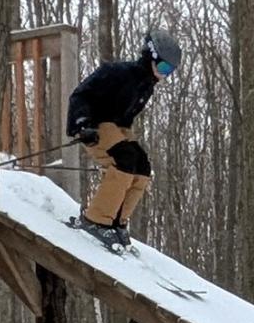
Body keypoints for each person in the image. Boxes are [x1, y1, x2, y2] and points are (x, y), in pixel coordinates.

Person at [65, 26, 182, 251]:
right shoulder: (118, 73)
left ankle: (117, 221)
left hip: (117, 127)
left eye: (170, 71)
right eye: (163, 67)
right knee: (124, 159)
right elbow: (81, 95)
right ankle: (96, 219)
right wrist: (82, 124)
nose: (164, 75)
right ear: (150, 57)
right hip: (96, 123)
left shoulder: (147, 86)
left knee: (142, 167)